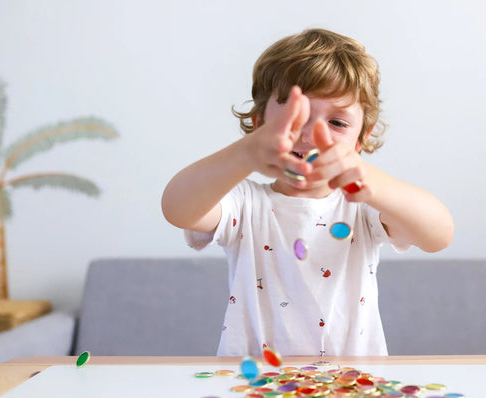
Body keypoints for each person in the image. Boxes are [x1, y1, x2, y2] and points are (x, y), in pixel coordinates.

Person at [162, 28, 453, 357]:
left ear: (361, 138)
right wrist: (244, 155)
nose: (314, 136)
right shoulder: (243, 204)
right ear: (258, 126)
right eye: (293, 118)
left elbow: (438, 235)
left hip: (352, 392)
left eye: (338, 123)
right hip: (254, 391)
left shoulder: (364, 207)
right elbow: (177, 209)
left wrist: (366, 178)